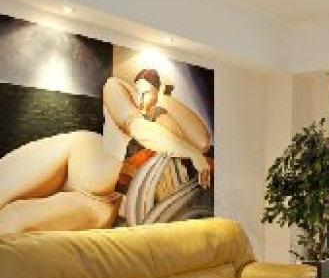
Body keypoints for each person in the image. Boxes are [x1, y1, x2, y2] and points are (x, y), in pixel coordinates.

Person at [0, 68, 212, 234]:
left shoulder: (164, 118)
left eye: (146, 94)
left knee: (13, 221)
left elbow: (202, 142)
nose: (140, 100)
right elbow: (139, 129)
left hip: (105, 201)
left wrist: (163, 96)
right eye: (138, 92)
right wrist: (191, 153)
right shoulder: (116, 88)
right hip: (76, 155)